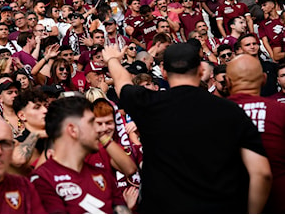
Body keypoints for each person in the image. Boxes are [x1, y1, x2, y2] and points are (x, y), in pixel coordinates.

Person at [103, 42, 272, 213]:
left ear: (163, 73)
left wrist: (112, 59)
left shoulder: (148, 104)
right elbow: (261, 173)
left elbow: (122, 83)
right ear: (201, 71)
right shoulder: (231, 110)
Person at [30, 96, 132, 214]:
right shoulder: (42, 180)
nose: (99, 130)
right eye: (91, 123)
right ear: (73, 130)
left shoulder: (103, 175)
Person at [226, 54, 285, 213]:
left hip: (230, 204)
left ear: (227, 81)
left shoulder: (214, 114)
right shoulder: (280, 111)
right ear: (264, 79)